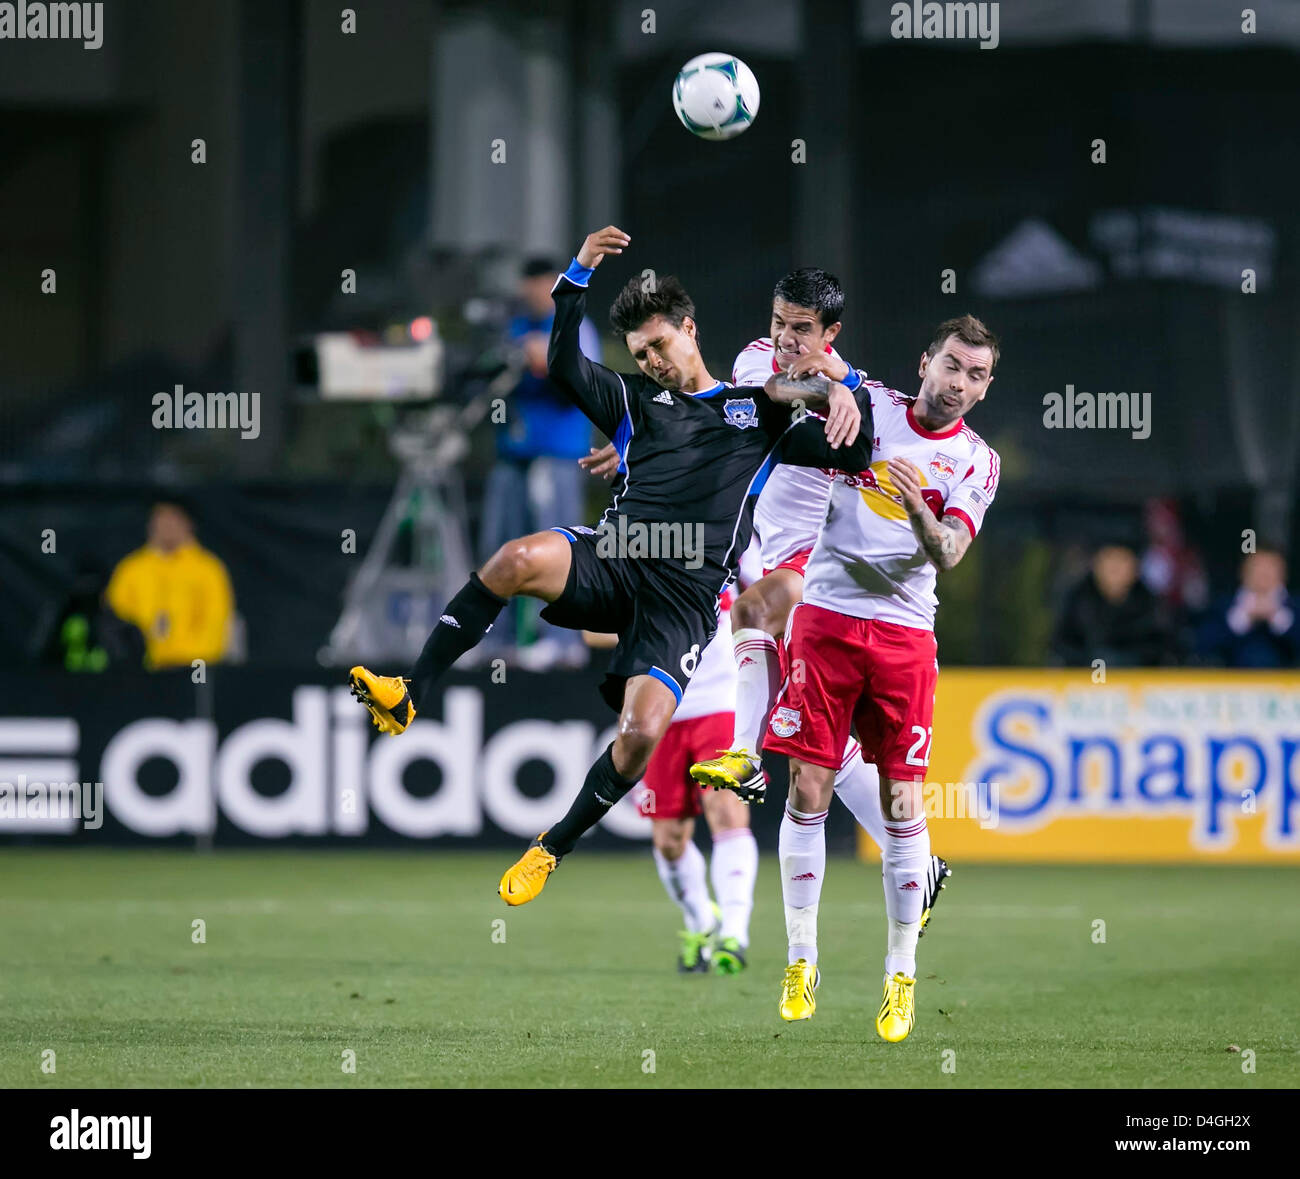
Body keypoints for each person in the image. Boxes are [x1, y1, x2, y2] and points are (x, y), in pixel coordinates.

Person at [346, 225, 874, 909]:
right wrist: (577, 278)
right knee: (514, 558)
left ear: (689, 327)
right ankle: (410, 688)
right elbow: (563, 366)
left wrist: (842, 390)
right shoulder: (631, 400)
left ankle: (551, 846)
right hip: (617, 558)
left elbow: (854, 456)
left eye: (660, 343)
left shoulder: (757, 410)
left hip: (682, 601)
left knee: (639, 736)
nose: (652, 359)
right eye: (639, 351)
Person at [583, 269, 952, 943]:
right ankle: (922, 863)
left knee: (749, 614)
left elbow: (894, 448)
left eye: (802, 328)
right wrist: (643, 437)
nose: (785, 336)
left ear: (830, 332)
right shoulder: (757, 360)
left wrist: (849, 396)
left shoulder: (868, 398)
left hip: (821, 566)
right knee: (827, 745)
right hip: (775, 553)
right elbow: (723, 419)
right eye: (780, 319)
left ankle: (743, 753)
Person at [758, 315, 1002, 1043]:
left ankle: (901, 977)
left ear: (986, 388)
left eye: (976, 375)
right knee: (809, 786)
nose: (959, 384)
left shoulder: (976, 462)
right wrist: (820, 385)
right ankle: (801, 959)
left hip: (902, 640)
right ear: (926, 361)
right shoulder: (870, 407)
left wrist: (920, 512)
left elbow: (950, 552)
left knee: (901, 803)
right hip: (826, 620)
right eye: (952, 366)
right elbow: (777, 390)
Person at [478, 256, 601, 670]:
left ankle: (563, 643)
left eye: (540, 283)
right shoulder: (514, 326)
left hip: (557, 458)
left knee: (557, 549)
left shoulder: (575, 325)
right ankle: (500, 643)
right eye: (527, 283)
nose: (532, 292)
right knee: (502, 548)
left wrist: (549, 360)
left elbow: (587, 386)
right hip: (513, 456)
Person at [105, 502, 235, 670]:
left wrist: (183, 659)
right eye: (161, 519)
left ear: (188, 524)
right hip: (140, 670)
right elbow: (116, 618)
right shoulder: (131, 569)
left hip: (194, 668)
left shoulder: (208, 569)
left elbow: (216, 624)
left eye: (173, 519)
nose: (167, 526)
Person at [1051, 544, 1171, 667]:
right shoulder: (1076, 602)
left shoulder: (1152, 606)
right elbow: (1063, 647)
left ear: (1136, 567)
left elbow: (1162, 650)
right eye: (1109, 559)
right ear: (1095, 564)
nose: (1115, 568)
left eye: (1122, 560)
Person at [1198, 548, 1298, 667]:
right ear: (1243, 572)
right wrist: (1243, 618)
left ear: (1283, 573)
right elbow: (1203, 646)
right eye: (1257, 568)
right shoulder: (1222, 606)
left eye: (1270, 568)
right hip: (1231, 682)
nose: (1263, 575)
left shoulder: (1296, 606)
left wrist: (1278, 618)